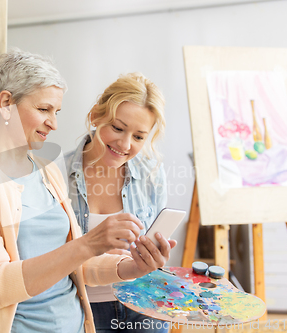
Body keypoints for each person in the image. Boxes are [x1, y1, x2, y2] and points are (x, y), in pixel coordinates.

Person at [0, 51, 176, 333]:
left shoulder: (46, 169)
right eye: (44, 110)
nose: (54, 123)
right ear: (6, 104)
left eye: (56, 112)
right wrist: (87, 243)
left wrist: (132, 267)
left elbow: (77, 266)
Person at [65, 73, 170, 332]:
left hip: (144, 303)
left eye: (138, 137)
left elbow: (156, 241)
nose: (125, 144)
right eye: (118, 128)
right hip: (83, 308)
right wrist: (93, 251)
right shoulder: (56, 174)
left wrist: (157, 257)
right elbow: (46, 257)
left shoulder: (152, 174)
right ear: (95, 115)